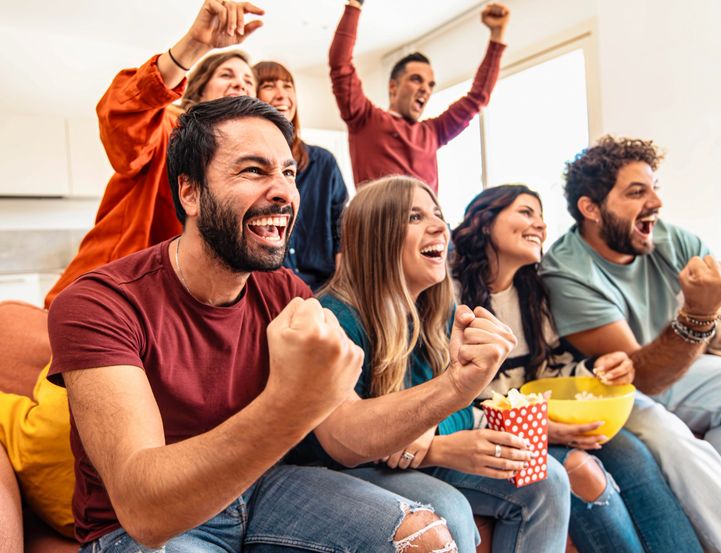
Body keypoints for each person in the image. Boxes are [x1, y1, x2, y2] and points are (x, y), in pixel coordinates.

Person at [46, 95, 512, 551]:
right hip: (147, 528)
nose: (284, 192)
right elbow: (145, 511)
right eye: (254, 170)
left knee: (423, 538)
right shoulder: (98, 304)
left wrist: (458, 383)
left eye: (288, 173)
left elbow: (345, 435)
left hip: (267, 488)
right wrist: (290, 403)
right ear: (190, 192)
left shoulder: (286, 292)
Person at [540, 135, 721, 551]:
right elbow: (642, 377)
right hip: (613, 387)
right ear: (590, 209)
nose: (656, 202)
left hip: (677, 362)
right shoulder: (566, 270)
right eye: (637, 192)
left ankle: (703, 519)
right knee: (673, 441)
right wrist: (697, 315)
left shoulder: (671, 240)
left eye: (655, 187)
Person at [309, 176, 571, 553]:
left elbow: (463, 407)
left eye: (437, 214)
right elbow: (348, 438)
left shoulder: (440, 313)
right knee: (448, 509)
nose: (438, 226)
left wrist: (427, 433)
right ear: (374, 235)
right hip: (342, 470)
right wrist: (437, 449)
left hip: (401, 458)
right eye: (414, 217)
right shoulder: (335, 318)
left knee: (548, 480)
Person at [450, 184, 702, 553]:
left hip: (537, 421)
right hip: (492, 432)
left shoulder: (532, 294)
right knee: (581, 468)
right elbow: (446, 393)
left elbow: (549, 371)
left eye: (541, 215)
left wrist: (597, 370)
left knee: (634, 453)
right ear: (485, 222)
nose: (540, 224)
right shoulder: (449, 297)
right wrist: (542, 428)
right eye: (525, 212)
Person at [44, 0, 264, 308]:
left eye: (248, 81)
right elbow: (123, 113)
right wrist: (194, 45)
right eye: (227, 75)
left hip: (179, 310)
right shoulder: (170, 130)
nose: (240, 82)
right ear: (200, 91)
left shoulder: (250, 163)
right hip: (110, 297)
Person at [329, 0, 509, 193]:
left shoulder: (433, 132)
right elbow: (340, 65)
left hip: (430, 222)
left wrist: (497, 35)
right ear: (393, 86)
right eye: (416, 80)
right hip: (382, 222)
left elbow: (477, 97)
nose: (426, 89)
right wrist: (355, 5)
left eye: (430, 84)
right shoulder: (365, 118)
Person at [253, 60, 348, 290]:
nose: (281, 94)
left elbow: (343, 229)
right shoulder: (247, 168)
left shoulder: (324, 163)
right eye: (269, 85)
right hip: (267, 290)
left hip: (323, 291)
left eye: (287, 86)